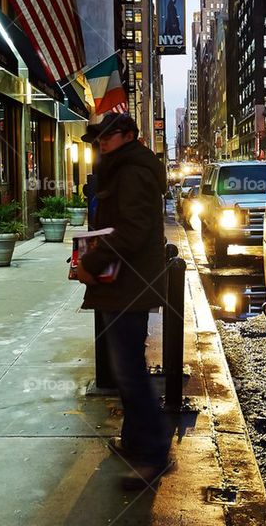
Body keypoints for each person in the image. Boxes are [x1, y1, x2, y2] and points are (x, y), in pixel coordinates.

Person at [75, 113, 172, 489]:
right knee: (127, 367)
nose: (101, 141)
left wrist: (92, 261)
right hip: (123, 283)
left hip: (128, 284)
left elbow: (131, 231)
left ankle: (153, 452)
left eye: (108, 135)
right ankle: (136, 440)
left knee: (130, 370)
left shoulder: (131, 172)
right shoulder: (123, 167)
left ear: (129, 135)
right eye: (98, 136)